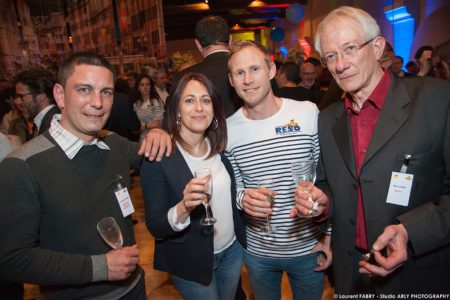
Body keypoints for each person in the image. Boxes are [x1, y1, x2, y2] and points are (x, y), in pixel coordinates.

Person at [293, 5, 450, 295]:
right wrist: (321, 203)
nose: (340, 65)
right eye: (330, 56)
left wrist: (409, 231)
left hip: (419, 274)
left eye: (350, 48)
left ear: (378, 48)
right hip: (352, 274)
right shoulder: (328, 120)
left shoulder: (436, 100)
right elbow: (329, 184)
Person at [0, 51, 172, 299]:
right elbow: (11, 259)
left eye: (106, 92)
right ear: (59, 95)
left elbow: (157, 157)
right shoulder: (21, 166)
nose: (97, 102)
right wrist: (99, 267)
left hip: (134, 289)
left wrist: (161, 135)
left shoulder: (113, 143)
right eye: (84, 90)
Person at [226, 40, 331, 300]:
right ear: (231, 80)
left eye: (255, 69)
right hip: (258, 254)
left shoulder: (307, 113)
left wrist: (329, 235)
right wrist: (244, 199)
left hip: (309, 248)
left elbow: (328, 179)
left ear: (271, 70)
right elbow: (235, 188)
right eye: (239, 73)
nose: (248, 80)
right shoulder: (227, 131)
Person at [141, 72, 245, 299]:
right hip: (190, 259)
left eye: (205, 100)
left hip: (232, 251)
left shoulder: (220, 148)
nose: (199, 107)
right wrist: (184, 207)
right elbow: (156, 226)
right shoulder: (160, 156)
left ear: (214, 110)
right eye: (189, 100)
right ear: (176, 109)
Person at [174, 15, 242, 117]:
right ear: (230, 39)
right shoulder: (253, 70)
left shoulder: (183, 78)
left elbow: (170, 121)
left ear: (197, 44)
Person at [12, 68, 60, 135]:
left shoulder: (54, 124)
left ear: (41, 96)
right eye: (16, 97)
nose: (17, 102)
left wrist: (18, 146)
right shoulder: (47, 120)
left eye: (21, 96)